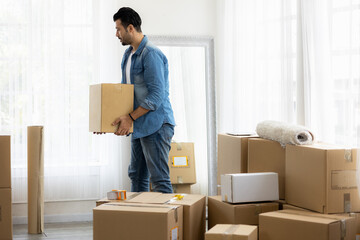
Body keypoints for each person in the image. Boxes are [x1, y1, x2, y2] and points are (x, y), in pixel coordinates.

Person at [111, 7, 175, 193]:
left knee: (159, 180)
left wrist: (130, 118)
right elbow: (125, 92)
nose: (116, 34)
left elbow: (156, 96)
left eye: (118, 29)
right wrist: (106, 121)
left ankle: (168, 222)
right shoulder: (128, 55)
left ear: (130, 28)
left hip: (157, 125)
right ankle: (140, 221)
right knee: (137, 176)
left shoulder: (151, 54)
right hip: (139, 124)